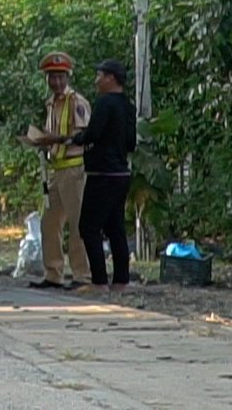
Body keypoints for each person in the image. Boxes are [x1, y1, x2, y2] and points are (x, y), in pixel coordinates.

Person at [70, 59, 138, 293]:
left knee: (88, 226)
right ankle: (121, 280)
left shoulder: (105, 103)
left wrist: (75, 139)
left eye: (99, 75)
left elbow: (92, 134)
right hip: (121, 174)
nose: (96, 80)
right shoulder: (128, 106)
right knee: (115, 227)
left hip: (102, 174)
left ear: (111, 78)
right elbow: (131, 143)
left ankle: (99, 281)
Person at [28, 52, 92, 289]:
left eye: (60, 77)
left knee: (78, 225)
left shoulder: (77, 103)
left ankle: (81, 275)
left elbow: (84, 137)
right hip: (55, 171)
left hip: (75, 170)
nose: (56, 82)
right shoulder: (51, 104)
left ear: (68, 77)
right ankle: (53, 274)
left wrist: (53, 139)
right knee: (49, 223)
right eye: (51, 77)